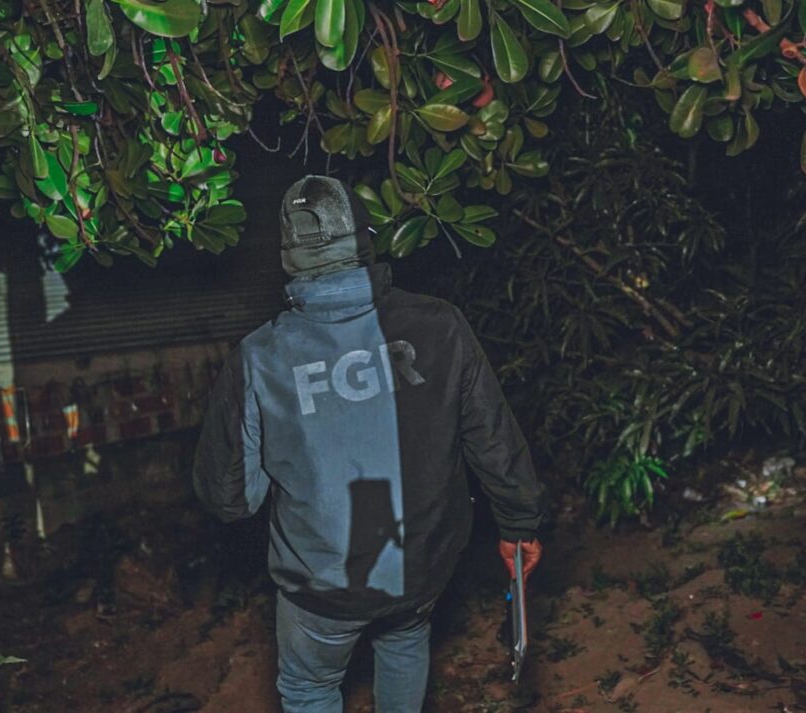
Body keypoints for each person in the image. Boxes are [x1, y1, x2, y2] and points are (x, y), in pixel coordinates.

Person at [192, 175, 546, 713]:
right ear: (365, 238)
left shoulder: (260, 358)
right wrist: (519, 526)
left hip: (324, 586)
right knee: (404, 637)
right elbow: (493, 437)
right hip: (423, 567)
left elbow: (231, 498)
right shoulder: (440, 325)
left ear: (288, 256)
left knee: (310, 687)